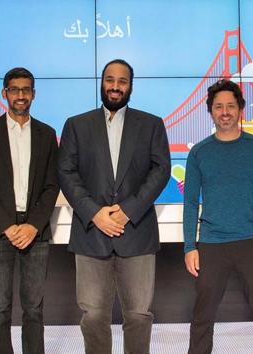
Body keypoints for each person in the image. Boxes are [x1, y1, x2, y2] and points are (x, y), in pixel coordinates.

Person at [57, 59, 171, 354]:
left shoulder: (152, 124)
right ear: (102, 82)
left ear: (130, 86)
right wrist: (95, 213)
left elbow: (160, 171)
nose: (115, 86)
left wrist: (127, 211)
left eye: (122, 81)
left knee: (139, 315)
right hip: (91, 234)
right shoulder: (76, 125)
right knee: (93, 316)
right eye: (110, 79)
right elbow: (66, 173)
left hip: (137, 232)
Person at [183, 79, 253, 354]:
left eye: (230, 105)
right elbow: (191, 203)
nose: (224, 111)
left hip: (252, 242)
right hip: (211, 244)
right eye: (218, 107)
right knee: (202, 318)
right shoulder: (198, 153)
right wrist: (190, 246)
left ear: (240, 109)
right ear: (210, 112)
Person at [0, 67, 59, 354]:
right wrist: (8, 226)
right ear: (4, 94)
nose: (20, 95)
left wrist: (32, 225)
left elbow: (51, 185)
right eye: (15, 89)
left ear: (33, 94)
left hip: (36, 231)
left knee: (34, 309)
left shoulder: (47, 134)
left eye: (26, 90)